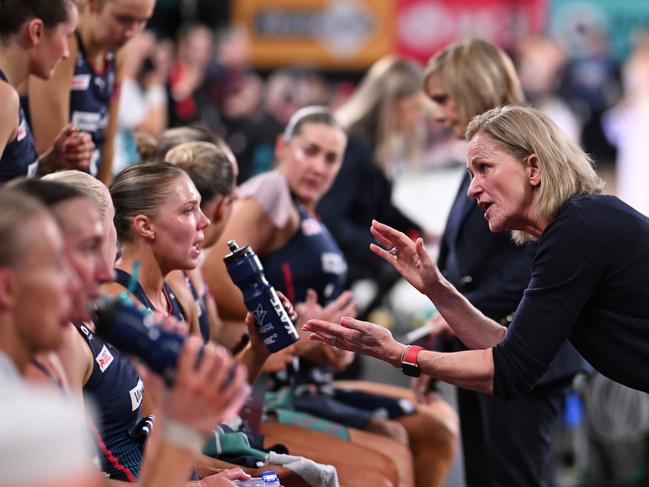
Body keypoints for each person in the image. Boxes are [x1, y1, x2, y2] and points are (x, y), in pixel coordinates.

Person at [304, 104, 649, 405]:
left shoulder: (577, 229)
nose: (472, 190)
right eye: (470, 174)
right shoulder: (573, 227)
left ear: (534, 168)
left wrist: (399, 354)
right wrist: (436, 287)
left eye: (484, 168)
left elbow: (509, 370)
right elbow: (510, 350)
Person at [203, 106, 458, 487]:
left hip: (310, 378)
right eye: (309, 151)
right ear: (282, 148)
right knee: (393, 458)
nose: (319, 166)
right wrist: (285, 336)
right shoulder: (271, 192)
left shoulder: (307, 210)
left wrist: (324, 343)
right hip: (273, 393)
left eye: (331, 158)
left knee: (429, 430)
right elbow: (214, 277)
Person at [405, 39, 585, 487]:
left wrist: (450, 317)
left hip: (522, 353)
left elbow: (537, 263)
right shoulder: (485, 155)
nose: (439, 113)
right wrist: (445, 323)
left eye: (444, 98)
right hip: (486, 347)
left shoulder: (525, 151)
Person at [317, 56, 429, 319]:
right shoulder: (354, 147)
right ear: (393, 106)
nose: (416, 119)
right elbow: (330, 216)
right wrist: (379, 253)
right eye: (414, 108)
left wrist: (420, 231)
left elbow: (377, 205)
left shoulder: (371, 147)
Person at [24, 0, 155, 182]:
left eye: (142, 21)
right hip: (47, 190)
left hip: (88, 186)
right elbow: (54, 158)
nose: (131, 32)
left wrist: (106, 198)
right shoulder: (64, 45)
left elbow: (108, 138)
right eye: (123, 19)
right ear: (92, 3)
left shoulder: (119, 51)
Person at [0, 0, 93, 182]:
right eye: (67, 36)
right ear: (36, 31)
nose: (66, 53)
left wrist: (51, 162)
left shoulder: (8, 95)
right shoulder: (4, 98)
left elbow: (8, 182)